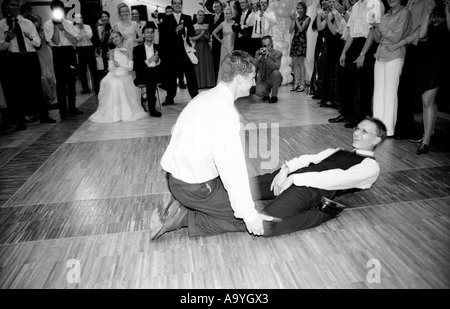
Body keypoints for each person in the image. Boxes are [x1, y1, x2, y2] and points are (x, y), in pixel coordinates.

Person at [153, 114, 387, 239]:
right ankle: (195, 196)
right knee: (239, 186)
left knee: (264, 226)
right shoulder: (338, 150)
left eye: (365, 131)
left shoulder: (370, 167)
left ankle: (186, 219)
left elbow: (334, 179)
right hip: (290, 177)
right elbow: (307, 159)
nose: (357, 132)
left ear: (377, 140)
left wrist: (294, 180)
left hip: (310, 191)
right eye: (357, 128)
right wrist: (286, 170)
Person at [152, 50, 275, 240]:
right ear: (239, 80)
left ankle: (184, 203)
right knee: (246, 220)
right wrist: (249, 215)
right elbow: (231, 167)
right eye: (252, 77)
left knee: (245, 201)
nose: (254, 83)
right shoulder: (224, 112)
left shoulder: (205, 97)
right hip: (193, 187)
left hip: (177, 179)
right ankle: (184, 217)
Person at [0, 0, 56, 130]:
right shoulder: (2, 25)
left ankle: (44, 115)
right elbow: (2, 47)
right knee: (16, 91)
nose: (15, 8)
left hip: (30, 57)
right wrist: (8, 39)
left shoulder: (27, 23)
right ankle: (20, 121)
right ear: (6, 7)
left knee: (36, 86)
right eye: (12, 5)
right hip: (13, 58)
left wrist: (30, 36)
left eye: (16, 5)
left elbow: (37, 43)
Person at [359, 0, 411, 137]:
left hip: (395, 55)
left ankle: (388, 130)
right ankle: (377, 127)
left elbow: (396, 37)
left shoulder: (405, 13)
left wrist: (379, 26)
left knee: (390, 93)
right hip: (380, 54)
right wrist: (374, 27)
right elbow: (378, 39)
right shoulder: (386, 15)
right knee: (378, 93)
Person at [335, 0, 385, 128]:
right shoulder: (356, 5)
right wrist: (344, 52)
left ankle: (362, 117)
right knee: (349, 82)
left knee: (364, 85)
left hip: (368, 45)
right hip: (354, 43)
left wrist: (363, 54)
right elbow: (351, 31)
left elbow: (373, 30)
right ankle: (349, 114)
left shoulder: (375, 3)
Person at [413, 0, 450, 154]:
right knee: (428, 101)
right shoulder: (432, 14)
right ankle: (428, 133)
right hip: (427, 60)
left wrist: (448, 12)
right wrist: (427, 14)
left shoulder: (448, 13)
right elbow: (421, 35)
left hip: (442, 61)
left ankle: (426, 141)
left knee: (427, 99)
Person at [88, 31, 148, 123]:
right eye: (113, 38)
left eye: (117, 37)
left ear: (121, 37)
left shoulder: (129, 51)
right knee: (110, 83)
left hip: (126, 74)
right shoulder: (112, 52)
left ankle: (125, 112)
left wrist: (120, 65)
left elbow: (131, 67)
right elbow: (111, 69)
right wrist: (113, 65)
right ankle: (114, 113)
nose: (115, 39)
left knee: (119, 84)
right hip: (115, 74)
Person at [43, 0, 82, 120]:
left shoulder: (69, 23)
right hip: (58, 53)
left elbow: (75, 40)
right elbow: (55, 41)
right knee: (60, 83)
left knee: (71, 82)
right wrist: (56, 26)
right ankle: (63, 111)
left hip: (69, 52)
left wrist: (63, 29)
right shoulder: (48, 24)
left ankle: (72, 108)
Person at [159, 0, 199, 106]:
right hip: (172, 53)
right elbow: (163, 35)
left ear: (181, 5)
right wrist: (175, 30)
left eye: (179, 3)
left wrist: (185, 29)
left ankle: (195, 96)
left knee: (190, 75)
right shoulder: (166, 18)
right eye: (175, 3)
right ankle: (170, 97)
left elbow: (191, 32)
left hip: (185, 52)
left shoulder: (187, 18)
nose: (177, 5)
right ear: (172, 5)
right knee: (171, 76)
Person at [133, 25, 162, 118]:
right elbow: (136, 66)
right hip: (143, 75)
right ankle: (152, 109)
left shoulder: (158, 47)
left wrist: (157, 61)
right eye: (147, 32)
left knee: (153, 75)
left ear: (154, 34)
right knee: (150, 77)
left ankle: (151, 101)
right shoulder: (137, 49)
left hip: (156, 73)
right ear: (143, 35)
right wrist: (149, 61)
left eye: (151, 32)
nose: (150, 34)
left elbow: (164, 64)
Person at [73, 13, 99, 95]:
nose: (79, 19)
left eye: (80, 17)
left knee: (93, 69)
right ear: (74, 19)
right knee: (82, 70)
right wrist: (80, 31)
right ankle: (85, 89)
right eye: (77, 18)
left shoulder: (87, 26)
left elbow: (89, 36)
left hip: (89, 48)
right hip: (80, 49)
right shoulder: (72, 28)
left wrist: (83, 29)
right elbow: (77, 38)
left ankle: (97, 88)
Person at [289, 1, 311, 92]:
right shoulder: (296, 18)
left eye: (301, 8)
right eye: (298, 8)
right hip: (295, 41)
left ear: (304, 9)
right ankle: (296, 83)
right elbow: (290, 30)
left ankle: (302, 83)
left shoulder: (307, 18)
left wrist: (296, 19)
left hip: (302, 41)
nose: (299, 10)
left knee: (300, 62)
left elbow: (301, 29)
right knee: (294, 63)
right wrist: (293, 20)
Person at [253, 35, 282, 103]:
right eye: (264, 46)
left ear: (271, 44)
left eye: (268, 45)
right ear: (262, 45)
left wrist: (267, 58)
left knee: (276, 73)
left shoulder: (277, 53)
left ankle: (274, 96)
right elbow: (254, 67)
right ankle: (266, 92)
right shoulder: (258, 52)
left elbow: (276, 67)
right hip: (263, 79)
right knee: (259, 92)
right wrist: (258, 59)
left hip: (273, 78)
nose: (266, 47)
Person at [192, 10, 215, 89]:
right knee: (198, 65)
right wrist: (200, 35)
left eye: (203, 15)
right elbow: (192, 38)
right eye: (200, 15)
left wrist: (205, 35)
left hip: (206, 47)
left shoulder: (206, 26)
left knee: (207, 64)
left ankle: (208, 83)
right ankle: (199, 84)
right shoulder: (193, 26)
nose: (201, 17)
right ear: (197, 16)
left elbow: (209, 38)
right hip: (198, 47)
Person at [213, 6, 235, 82]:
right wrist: (221, 40)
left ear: (231, 14)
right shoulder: (222, 24)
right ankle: (221, 82)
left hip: (232, 45)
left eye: (229, 13)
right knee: (223, 64)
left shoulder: (235, 23)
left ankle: (230, 82)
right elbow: (214, 33)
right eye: (226, 13)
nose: (227, 15)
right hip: (224, 46)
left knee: (231, 64)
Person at [97, 11, 112, 78]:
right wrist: (105, 31)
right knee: (104, 68)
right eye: (103, 17)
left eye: (106, 16)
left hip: (111, 48)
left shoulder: (112, 27)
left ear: (108, 18)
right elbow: (101, 40)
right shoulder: (99, 28)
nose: (104, 18)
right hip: (103, 49)